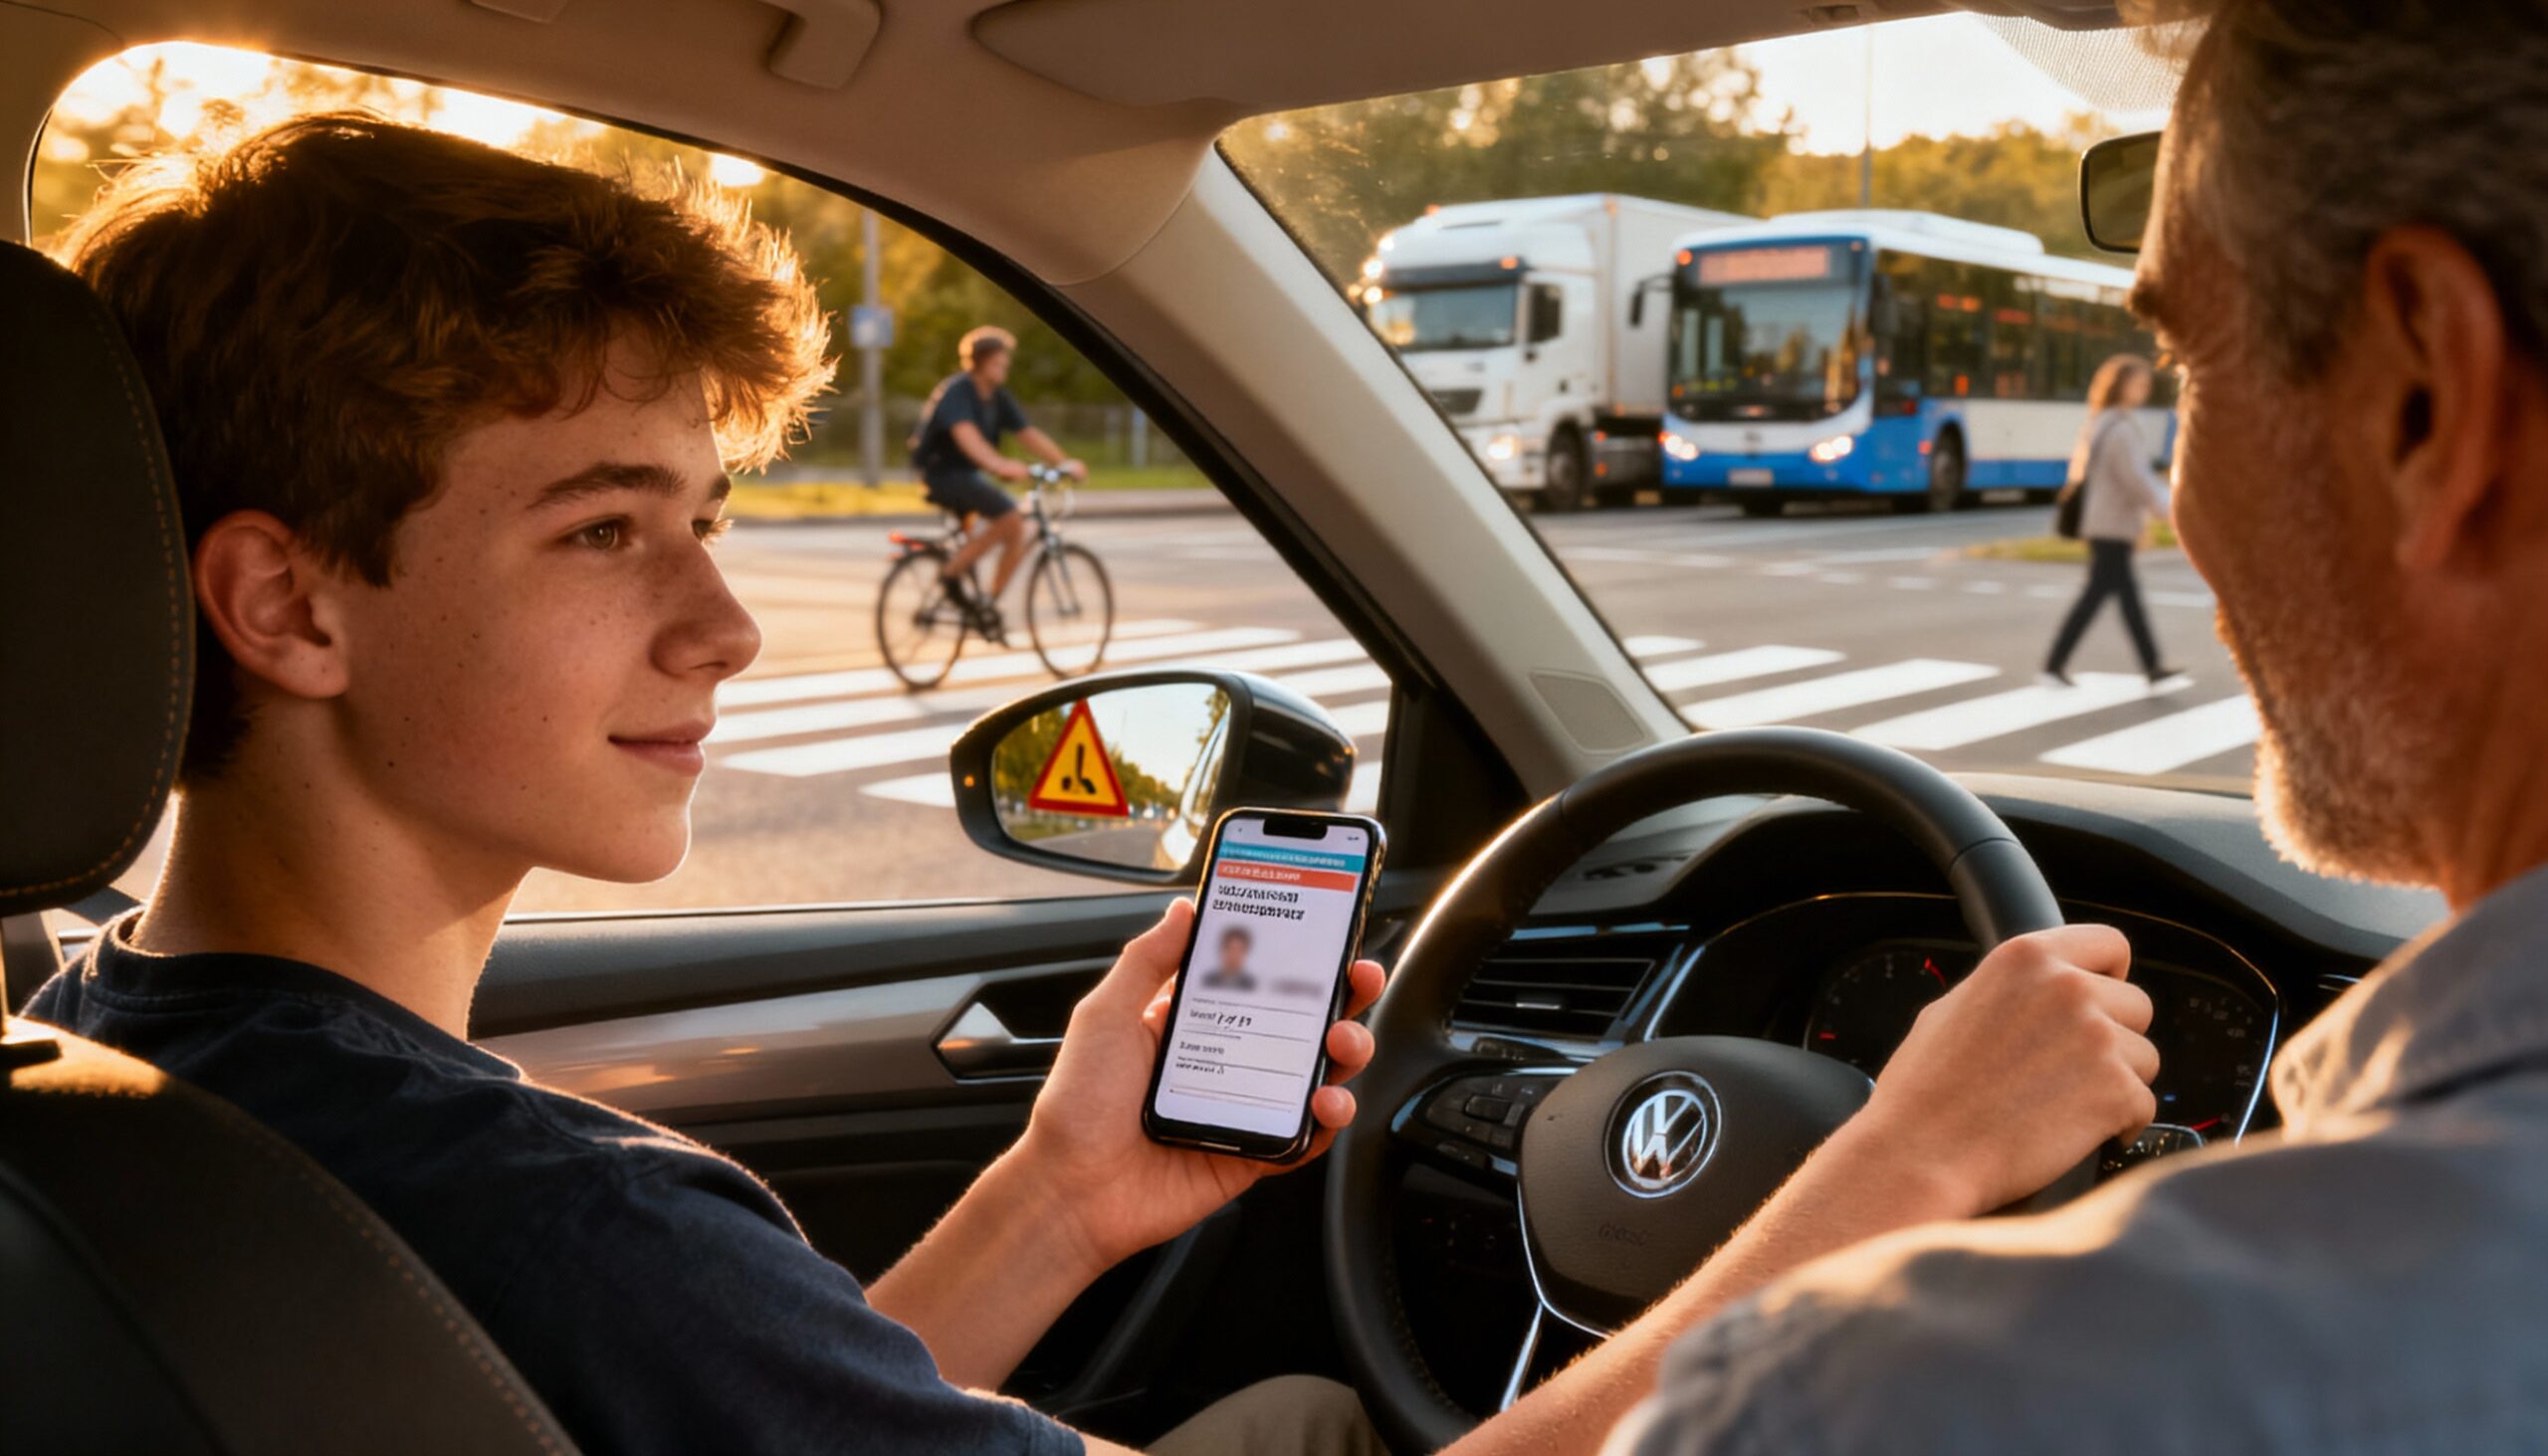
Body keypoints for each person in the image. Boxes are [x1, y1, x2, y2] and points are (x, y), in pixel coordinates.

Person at [26, 112, 2155, 1456]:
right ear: (284, 606)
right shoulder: (553, 1212)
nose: (726, 622)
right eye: (603, 530)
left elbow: (731, 1401)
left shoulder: (122, 1068)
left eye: (709, 516)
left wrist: (1060, 1192)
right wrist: (1888, 1179)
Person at [1603, 2, 2548, 1451]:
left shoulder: (1888, 1398)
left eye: (2190, 363)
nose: (2182, 493)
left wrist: (1901, 1164)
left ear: (2428, 396)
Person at [911, 325, 1086, 640]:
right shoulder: (959, 391)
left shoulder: (996, 396)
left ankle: (987, 605)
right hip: (941, 474)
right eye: (999, 361)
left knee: (1018, 526)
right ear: (982, 361)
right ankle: (950, 576)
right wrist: (999, 464)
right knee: (1010, 518)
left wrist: (1064, 463)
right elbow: (967, 437)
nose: (1005, 366)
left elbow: (1028, 433)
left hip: (968, 476)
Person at [2041, 352, 2187, 689]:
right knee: (2100, 596)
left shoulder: (2101, 422)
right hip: (2111, 524)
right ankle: (2055, 663)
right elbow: (2137, 480)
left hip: (2103, 522)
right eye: (2138, 384)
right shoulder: (2120, 428)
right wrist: (2172, 512)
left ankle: (2150, 665)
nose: (2144, 391)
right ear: (2120, 386)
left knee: (2117, 596)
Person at [1200, 924, 1259, 993]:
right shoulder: (1209, 980)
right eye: (1231, 949)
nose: (1234, 955)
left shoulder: (1250, 984)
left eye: (1239, 950)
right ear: (1223, 950)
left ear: (1245, 953)